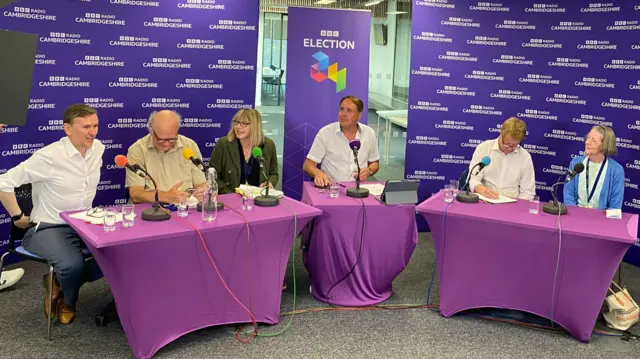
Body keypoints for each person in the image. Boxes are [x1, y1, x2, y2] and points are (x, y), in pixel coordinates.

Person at [0, 104, 104, 324]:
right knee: (72, 264)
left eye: (95, 125)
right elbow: (3, 183)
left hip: (84, 222)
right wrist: (18, 217)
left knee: (117, 255)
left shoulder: (99, 149)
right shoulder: (49, 156)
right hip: (50, 226)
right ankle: (68, 300)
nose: (92, 132)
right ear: (67, 129)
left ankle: (55, 281)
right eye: (86, 126)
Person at [126, 110, 207, 204]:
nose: (167, 143)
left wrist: (202, 191)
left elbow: (200, 184)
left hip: (184, 208)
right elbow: (135, 194)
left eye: (172, 139)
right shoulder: (137, 150)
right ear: (151, 130)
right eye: (162, 139)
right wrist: (165, 196)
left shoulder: (189, 146)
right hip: (151, 210)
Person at [303, 95, 380, 187]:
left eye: (349, 110)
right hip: (332, 189)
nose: (343, 114)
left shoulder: (369, 133)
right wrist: (317, 173)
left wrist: (369, 171)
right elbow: (308, 165)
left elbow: (375, 163)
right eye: (341, 109)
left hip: (359, 189)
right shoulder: (325, 133)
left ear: (359, 115)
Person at [209, 109, 278, 194]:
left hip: (258, 199)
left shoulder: (268, 145)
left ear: (255, 126)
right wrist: (231, 194)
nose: (238, 126)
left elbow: (273, 173)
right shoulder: (223, 144)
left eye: (243, 123)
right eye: (236, 122)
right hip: (230, 198)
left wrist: (269, 182)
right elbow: (213, 177)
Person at [468, 117, 536, 200]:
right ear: (501, 134)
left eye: (514, 146)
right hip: (484, 200)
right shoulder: (484, 148)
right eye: (507, 144)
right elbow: (473, 179)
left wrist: (517, 207)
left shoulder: (525, 157)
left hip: (512, 204)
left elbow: (528, 192)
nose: (510, 148)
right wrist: (481, 189)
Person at [563, 125, 624, 210]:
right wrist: (576, 215)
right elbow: (568, 196)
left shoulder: (616, 170)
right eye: (588, 138)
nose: (587, 142)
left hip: (601, 220)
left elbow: (615, 206)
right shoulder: (576, 163)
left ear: (604, 145)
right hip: (575, 216)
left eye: (593, 140)